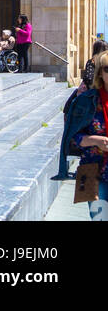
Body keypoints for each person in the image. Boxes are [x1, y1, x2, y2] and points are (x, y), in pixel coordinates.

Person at [55, 50, 108, 217]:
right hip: (91, 168)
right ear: (100, 73)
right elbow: (72, 137)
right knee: (99, 218)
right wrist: (95, 140)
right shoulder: (86, 100)